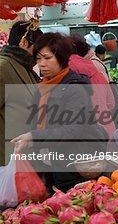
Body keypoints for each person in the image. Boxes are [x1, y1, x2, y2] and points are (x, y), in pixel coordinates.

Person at [12, 33, 108, 191]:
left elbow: (74, 129)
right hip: (51, 165)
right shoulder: (44, 86)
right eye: (38, 58)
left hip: (74, 167)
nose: (42, 64)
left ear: (62, 58)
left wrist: (34, 137)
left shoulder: (75, 88)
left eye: (47, 58)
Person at [0, 20, 43, 166]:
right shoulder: (4, 67)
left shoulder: (25, 67)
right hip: (8, 158)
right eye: (38, 47)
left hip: (24, 155)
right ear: (24, 42)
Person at [69, 35, 116, 138]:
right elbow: (111, 103)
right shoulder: (96, 70)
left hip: (85, 137)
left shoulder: (67, 72)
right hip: (107, 130)